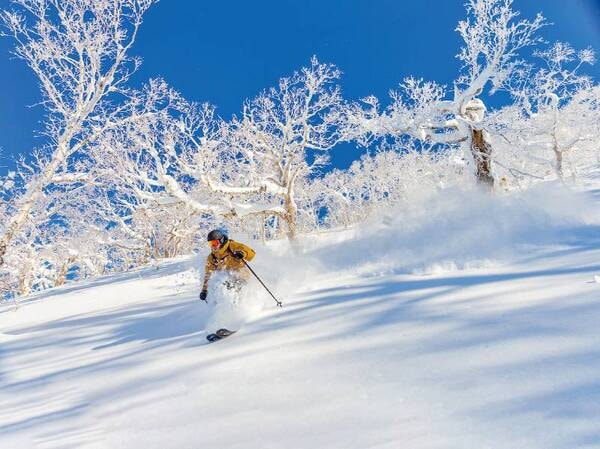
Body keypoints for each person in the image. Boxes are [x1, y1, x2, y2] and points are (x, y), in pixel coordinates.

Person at [199, 229, 256, 302]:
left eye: (214, 243)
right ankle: (225, 308)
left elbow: (251, 253)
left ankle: (244, 306)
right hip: (227, 280)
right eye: (210, 244)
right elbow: (208, 273)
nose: (213, 246)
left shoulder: (231, 246)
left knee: (235, 291)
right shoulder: (212, 257)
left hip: (241, 276)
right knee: (220, 287)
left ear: (221, 240)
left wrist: (242, 253)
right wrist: (204, 290)